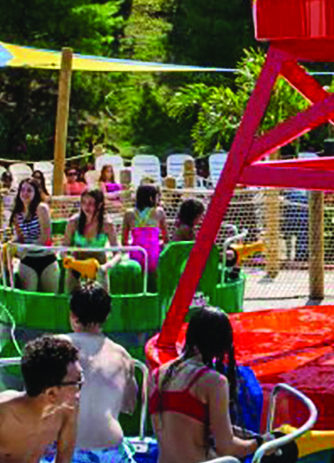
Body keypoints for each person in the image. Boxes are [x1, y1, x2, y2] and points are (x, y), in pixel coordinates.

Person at [149, 306, 271, 463]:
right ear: (221, 345)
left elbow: (186, 424)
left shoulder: (157, 375)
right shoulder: (213, 382)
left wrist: (252, 436)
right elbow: (227, 447)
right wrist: (261, 443)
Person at [0, 335, 80, 463]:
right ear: (51, 393)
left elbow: (64, 459)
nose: (80, 389)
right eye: (76, 383)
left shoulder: (67, 409)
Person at [61, 283, 136, 463]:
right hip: (110, 449)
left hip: (66, 449)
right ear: (107, 315)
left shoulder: (53, 347)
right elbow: (129, 406)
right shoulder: (123, 356)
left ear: (72, 315)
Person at [63, 189, 120, 291]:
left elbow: (118, 253)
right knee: (72, 294)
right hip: (77, 265)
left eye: (90, 203)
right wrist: (70, 260)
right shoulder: (73, 222)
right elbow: (64, 248)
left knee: (102, 297)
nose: (86, 207)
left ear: (99, 205)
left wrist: (106, 267)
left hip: (99, 267)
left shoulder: (107, 225)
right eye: (83, 203)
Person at [11, 179, 58, 293]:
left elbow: (45, 238)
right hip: (28, 260)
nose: (25, 193)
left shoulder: (41, 209)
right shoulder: (17, 214)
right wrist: (12, 245)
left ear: (35, 193)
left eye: (29, 190)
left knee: (49, 295)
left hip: (46, 257)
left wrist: (27, 248)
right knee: (29, 294)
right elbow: (21, 238)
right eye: (22, 190)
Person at [123, 185, 169, 272]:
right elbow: (166, 239)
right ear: (151, 198)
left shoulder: (128, 214)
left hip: (136, 254)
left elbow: (124, 242)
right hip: (154, 254)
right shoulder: (159, 212)